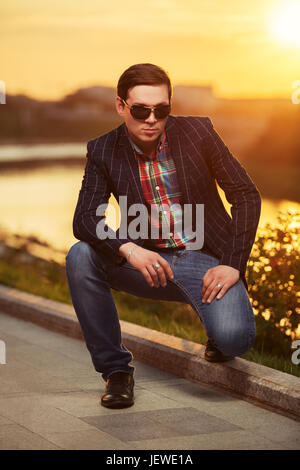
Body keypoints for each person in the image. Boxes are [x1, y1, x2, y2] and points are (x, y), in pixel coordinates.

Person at [66, 63, 261, 409]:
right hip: (144, 263)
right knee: (80, 255)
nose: (152, 119)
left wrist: (233, 264)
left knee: (234, 341)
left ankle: (216, 331)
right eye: (140, 110)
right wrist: (127, 248)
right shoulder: (103, 150)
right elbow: (84, 218)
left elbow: (245, 195)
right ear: (120, 106)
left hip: (205, 261)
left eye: (162, 109)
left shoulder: (199, 133)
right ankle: (117, 372)